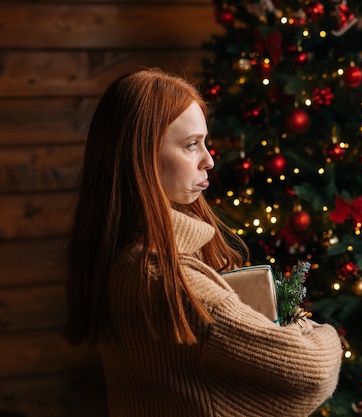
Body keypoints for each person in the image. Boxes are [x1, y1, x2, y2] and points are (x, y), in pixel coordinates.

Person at [63, 67, 343, 416]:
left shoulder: (124, 256)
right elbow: (312, 370)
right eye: (191, 144)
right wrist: (318, 331)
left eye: (205, 143)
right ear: (141, 156)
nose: (209, 160)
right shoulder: (165, 278)